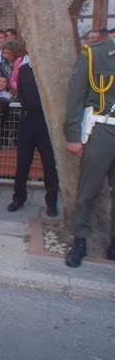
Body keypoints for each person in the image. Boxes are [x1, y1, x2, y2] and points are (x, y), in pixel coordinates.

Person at [64, 37, 115, 267]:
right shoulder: (93, 53)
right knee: (88, 190)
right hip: (101, 129)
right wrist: (73, 135)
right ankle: (80, 239)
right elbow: (76, 95)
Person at [7, 56, 58, 216]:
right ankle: (19, 198)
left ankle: (51, 203)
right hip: (27, 120)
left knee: (49, 165)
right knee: (22, 163)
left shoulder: (52, 69)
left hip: (45, 122)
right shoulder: (24, 69)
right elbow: (20, 92)